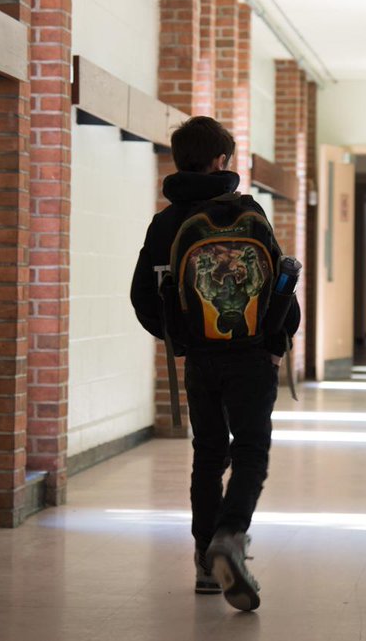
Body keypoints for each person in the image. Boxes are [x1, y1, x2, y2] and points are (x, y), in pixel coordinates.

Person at [130, 115, 300, 612]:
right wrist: (277, 340)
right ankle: (231, 534)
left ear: (180, 162)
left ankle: (206, 562)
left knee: (208, 453)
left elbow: (143, 297)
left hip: (200, 359)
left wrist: (180, 337)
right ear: (222, 161)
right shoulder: (248, 213)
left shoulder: (165, 224)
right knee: (250, 449)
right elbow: (278, 286)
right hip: (250, 356)